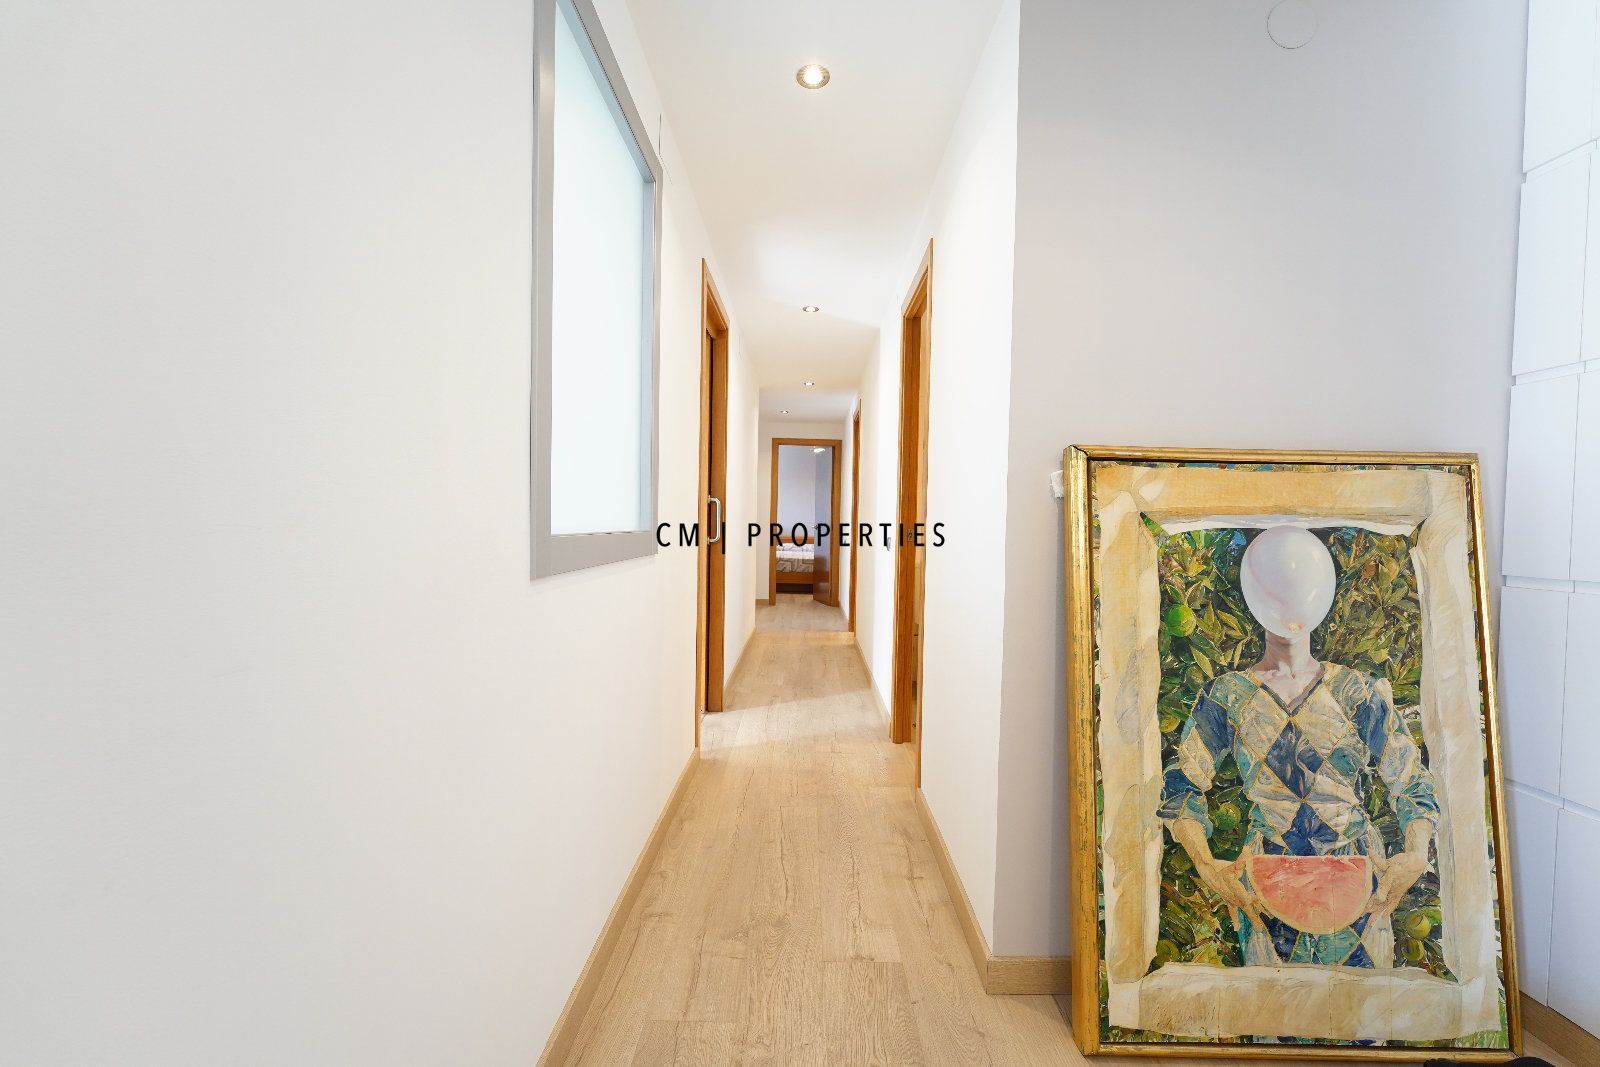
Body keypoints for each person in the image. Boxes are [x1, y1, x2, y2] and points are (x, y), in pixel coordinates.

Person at [1157, 526, 1439, 968]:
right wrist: (1208, 866)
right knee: (1277, 1005)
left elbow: (1412, 781)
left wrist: (1417, 853)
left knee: (1358, 1006)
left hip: (1358, 877)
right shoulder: (1226, 696)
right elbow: (1181, 786)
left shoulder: (1357, 691)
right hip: (1263, 884)